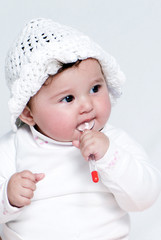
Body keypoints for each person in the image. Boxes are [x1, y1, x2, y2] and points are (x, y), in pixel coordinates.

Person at [0, 18, 161, 240]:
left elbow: (145, 196)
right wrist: (7, 196)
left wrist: (110, 157)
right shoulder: (14, 146)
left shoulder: (113, 142)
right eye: (68, 98)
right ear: (28, 113)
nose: (86, 105)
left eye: (95, 88)